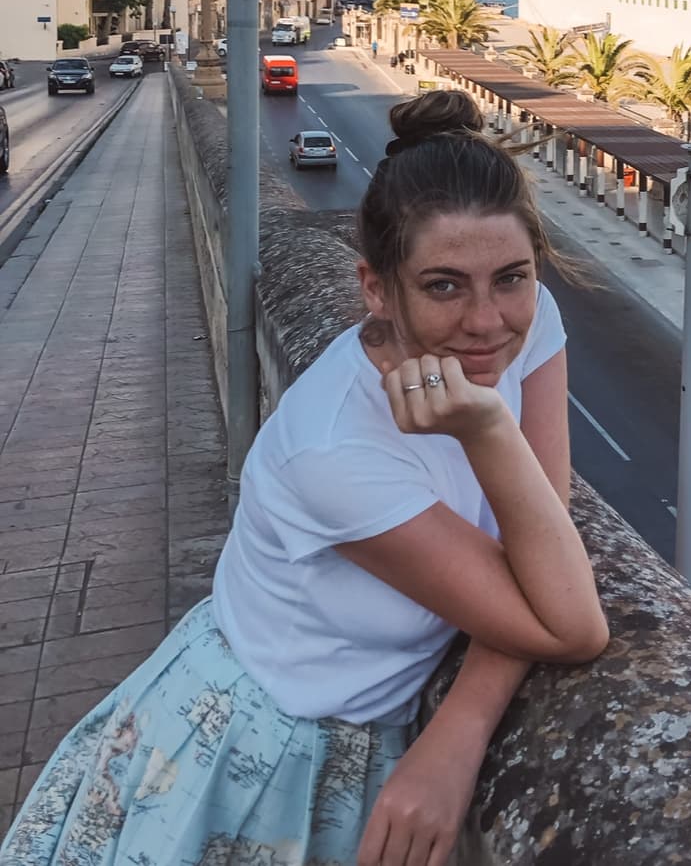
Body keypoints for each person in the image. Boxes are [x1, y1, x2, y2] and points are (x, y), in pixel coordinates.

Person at [2, 89, 608, 866]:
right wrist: (492, 430)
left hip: (359, 735)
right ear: (375, 289)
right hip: (261, 743)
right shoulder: (332, 451)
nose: (490, 321)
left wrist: (461, 725)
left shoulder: (530, 320)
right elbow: (570, 624)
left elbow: (542, 531)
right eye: (444, 285)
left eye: (512, 278)